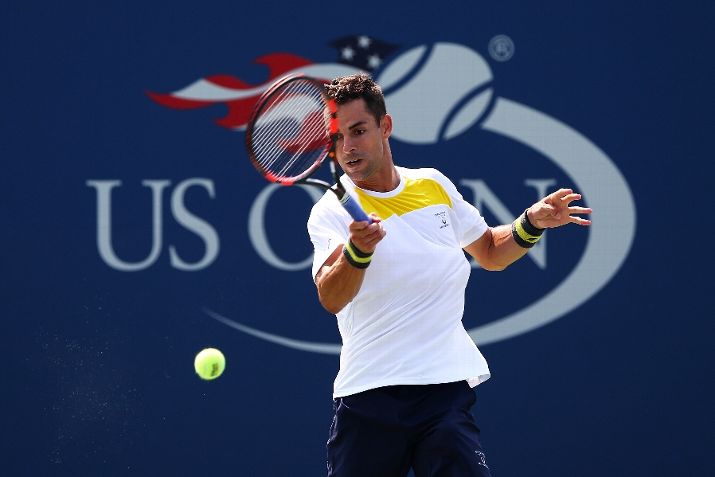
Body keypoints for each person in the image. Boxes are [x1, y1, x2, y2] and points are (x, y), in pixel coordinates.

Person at [307, 74, 591, 477]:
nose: (348, 147)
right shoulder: (330, 212)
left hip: (443, 392)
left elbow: (490, 252)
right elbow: (331, 296)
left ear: (385, 126)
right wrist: (358, 251)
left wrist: (531, 222)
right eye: (337, 138)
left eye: (358, 130)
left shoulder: (433, 184)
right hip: (369, 396)